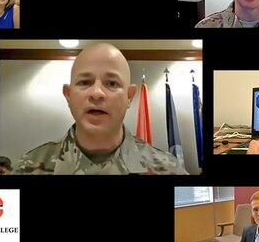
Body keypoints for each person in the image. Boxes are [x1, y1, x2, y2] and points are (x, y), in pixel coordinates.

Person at [12, 43, 188, 175]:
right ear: (68, 95)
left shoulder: (168, 169)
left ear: (129, 96)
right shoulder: (27, 168)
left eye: (111, 83)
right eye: (85, 82)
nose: (96, 93)